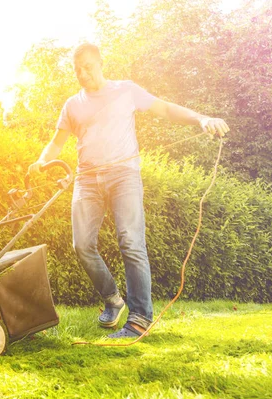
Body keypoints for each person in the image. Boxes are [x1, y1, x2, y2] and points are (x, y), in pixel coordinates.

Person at [28, 43, 229, 338]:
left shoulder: (126, 90)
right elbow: (57, 143)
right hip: (87, 179)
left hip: (124, 176)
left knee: (131, 242)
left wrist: (201, 119)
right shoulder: (73, 104)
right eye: (77, 70)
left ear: (100, 63)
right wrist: (42, 161)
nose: (83, 74)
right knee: (82, 245)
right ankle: (112, 299)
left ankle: (139, 318)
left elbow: (165, 108)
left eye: (88, 67)